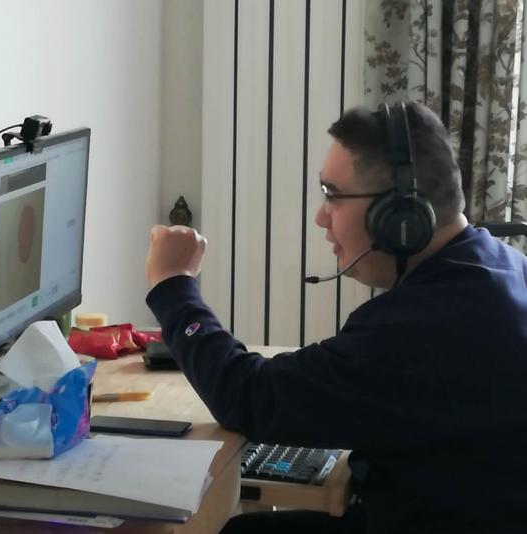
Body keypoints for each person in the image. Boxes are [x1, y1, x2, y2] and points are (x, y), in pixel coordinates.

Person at [144, 102, 527, 534]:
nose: (321, 217)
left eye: (333, 195)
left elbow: (248, 397)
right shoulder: (497, 265)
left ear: (400, 217)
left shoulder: (426, 325)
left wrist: (173, 284)